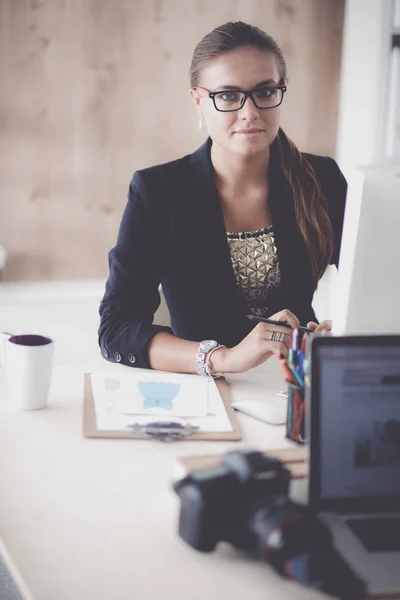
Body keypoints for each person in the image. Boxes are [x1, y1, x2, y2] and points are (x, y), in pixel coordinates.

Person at [98, 21, 347, 377]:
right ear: (198, 100)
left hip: (300, 379)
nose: (250, 113)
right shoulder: (157, 192)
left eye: (265, 92)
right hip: (205, 387)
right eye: (228, 95)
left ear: (281, 90)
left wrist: (346, 332)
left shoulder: (322, 179)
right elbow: (116, 330)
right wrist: (223, 359)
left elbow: (377, 287)